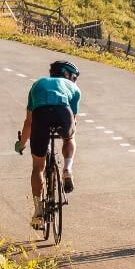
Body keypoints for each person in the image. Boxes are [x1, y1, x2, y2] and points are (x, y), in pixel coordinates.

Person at [16, 60, 81, 230]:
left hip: (41, 115)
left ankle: (38, 212)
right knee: (70, 137)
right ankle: (67, 169)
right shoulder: (74, 88)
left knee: (37, 167)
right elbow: (73, 121)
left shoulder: (38, 84)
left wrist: (21, 144)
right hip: (63, 113)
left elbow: (28, 123)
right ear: (71, 77)